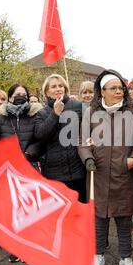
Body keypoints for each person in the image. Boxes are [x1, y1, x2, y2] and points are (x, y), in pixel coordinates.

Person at [78, 69, 133, 265]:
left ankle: (126, 258)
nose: (119, 91)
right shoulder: (91, 112)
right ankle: (98, 256)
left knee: (124, 219)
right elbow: (82, 141)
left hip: (123, 174)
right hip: (98, 174)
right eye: (113, 88)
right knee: (99, 218)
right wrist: (87, 157)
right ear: (102, 91)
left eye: (121, 88)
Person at [0, 84, 43, 262]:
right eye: (16, 94)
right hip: (8, 169)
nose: (20, 96)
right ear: (10, 97)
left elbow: (39, 140)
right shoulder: (0, 119)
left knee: (29, 207)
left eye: (23, 94)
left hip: (29, 165)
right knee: (13, 208)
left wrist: (30, 153)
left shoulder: (35, 115)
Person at [35, 74, 86, 203]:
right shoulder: (42, 113)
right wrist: (55, 114)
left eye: (61, 86)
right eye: (53, 86)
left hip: (78, 171)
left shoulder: (78, 106)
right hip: (54, 173)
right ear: (46, 91)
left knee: (79, 211)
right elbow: (41, 135)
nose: (58, 89)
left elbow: (88, 129)